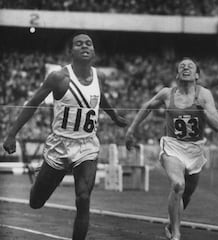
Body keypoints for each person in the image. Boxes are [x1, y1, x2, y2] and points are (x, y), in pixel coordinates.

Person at [3, 32, 128, 240]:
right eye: (79, 44)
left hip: (87, 145)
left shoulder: (100, 77)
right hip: (59, 146)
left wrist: (114, 116)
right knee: (36, 202)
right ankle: (41, 174)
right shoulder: (58, 77)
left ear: (94, 51)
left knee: (83, 197)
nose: (84, 46)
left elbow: (99, 97)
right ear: (71, 51)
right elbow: (33, 103)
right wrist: (11, 134)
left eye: (88, 43)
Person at [125, 58, 218, 240]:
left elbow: (217, 125)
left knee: (187, 194)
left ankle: (171, 223)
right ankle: (176, 234)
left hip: (195, 149)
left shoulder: (204, 94)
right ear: (177, 75)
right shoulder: (166, 93)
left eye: (190, 66)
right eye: (182, 66)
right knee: (178, 185)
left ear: (197, 75)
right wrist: (131, 130)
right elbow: (147, 107)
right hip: (172, 146)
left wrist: (204, 111)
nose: (186, 68)